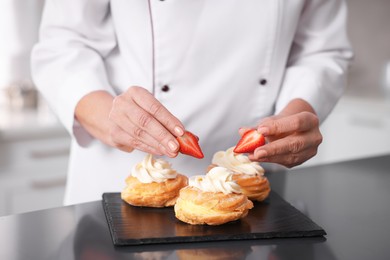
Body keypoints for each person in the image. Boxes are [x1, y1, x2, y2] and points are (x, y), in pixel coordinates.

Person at [31, 0, 353, 206]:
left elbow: (322, 51)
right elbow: (62, 47)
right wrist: (107, 115)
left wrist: (297, 115)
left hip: (250, 182)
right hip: (120, 174)